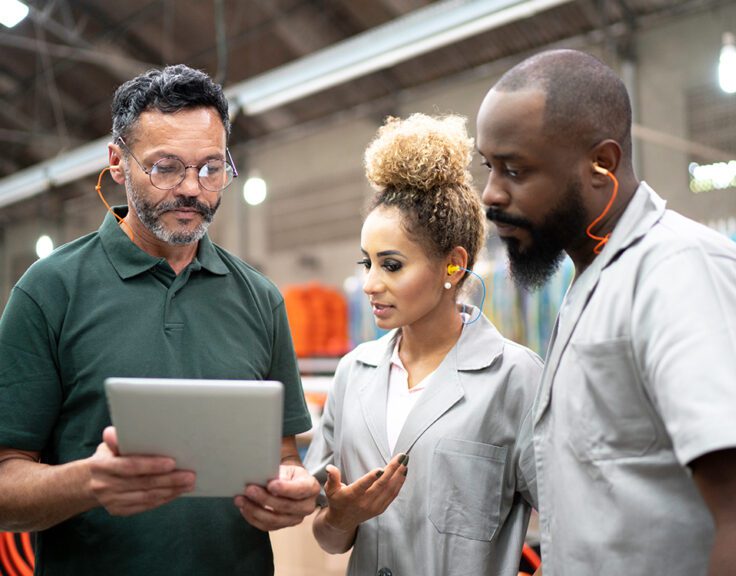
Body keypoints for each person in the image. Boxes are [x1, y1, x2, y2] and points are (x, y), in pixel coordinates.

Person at [0, 64, 320, 575]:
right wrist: (89, 482)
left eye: (212, 168)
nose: (192, 188)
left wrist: (293, 492)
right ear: (118, 163)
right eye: (166, 167)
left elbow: (284, 456)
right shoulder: (49, 291)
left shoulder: (260, 298)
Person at [477, 49, 736, 575]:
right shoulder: (594, 279)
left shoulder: (682, 273)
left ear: (602, 164)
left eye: (515, 170)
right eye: (489, 166)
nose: (491, 193)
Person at [304, 113, 543, 576]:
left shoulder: (515, 379)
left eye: (391, 266)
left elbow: (568, 519)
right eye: (366, 263)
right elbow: (327, 538)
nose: (370, 284)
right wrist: (342, 515)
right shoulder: (353, 375)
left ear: (453, 266)